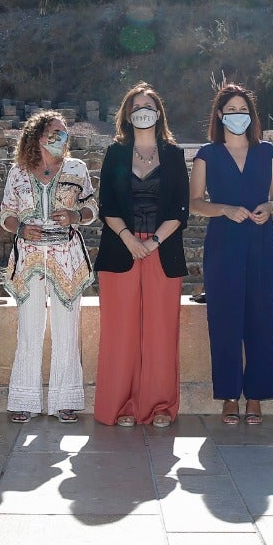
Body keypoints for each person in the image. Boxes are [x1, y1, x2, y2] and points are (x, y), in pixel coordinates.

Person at [93, 83, 190, 429]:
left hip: (163, 251)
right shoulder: (115, 153)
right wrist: (129, 239)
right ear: (127, 114)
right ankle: (122, 406)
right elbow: (106, 204)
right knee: (121, 333)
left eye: (148, 105)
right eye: (136, 106)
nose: (142, 110)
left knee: (161, 331)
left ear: (159, 112)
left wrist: (154, 242)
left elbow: (181, 207)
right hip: (120, 251)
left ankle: (160, 406)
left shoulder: (175, 155)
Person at [191, 84, 273, 425]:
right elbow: (196, 202)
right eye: (230, 109)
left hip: (261, 241)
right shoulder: (207, 154)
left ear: (251, 115)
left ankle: (256, 396)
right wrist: (225, 209)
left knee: (262, 318)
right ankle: (229, 395)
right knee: (225, 319)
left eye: (243, 109)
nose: (237, 115)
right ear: (219, 115)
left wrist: (269, 206)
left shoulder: (267, 151)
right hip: (223, 243)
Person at [0, 110, 96, 423]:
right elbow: (6, 213)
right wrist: (20, 229)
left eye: (64, 132)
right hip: (28, 259)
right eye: (53, 132)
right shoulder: (18, 171)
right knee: (29, 329)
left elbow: (92, 208)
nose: (60, 137)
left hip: (67, 258)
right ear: (37, 136)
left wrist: (74, 217)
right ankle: (25, 400)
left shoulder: (77, 168)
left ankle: (65, 400)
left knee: (67, 329)